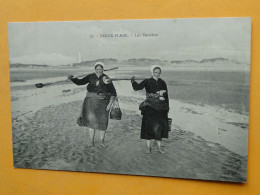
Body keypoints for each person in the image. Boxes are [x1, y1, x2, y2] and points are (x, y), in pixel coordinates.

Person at [68, 62, 117, 148]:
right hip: (90, 102)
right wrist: (72, 79)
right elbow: (80, 82)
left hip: (103, 103)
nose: (99, 71)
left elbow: (113, 93)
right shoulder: (90, 77)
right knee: (91, 122)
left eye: (100, 69)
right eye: (97, 69)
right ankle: (91, 141)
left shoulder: (107, 78)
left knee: (103, 122)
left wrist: (109, 104)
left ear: (103, 70)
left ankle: (102, 141)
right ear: (95, 70)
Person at [131, 65, 169, 154]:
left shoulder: (162, 82)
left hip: (160, 108)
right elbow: (137, 88)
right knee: (148, 127)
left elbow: (166, 96)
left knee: (159, 128)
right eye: (155, 72)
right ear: (152, 73)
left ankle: (160, 148)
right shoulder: (147, 81)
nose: (157, 74)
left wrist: (167, 107)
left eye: (159, 73)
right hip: (149, 107)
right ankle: (148, 148)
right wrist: (133, 81)